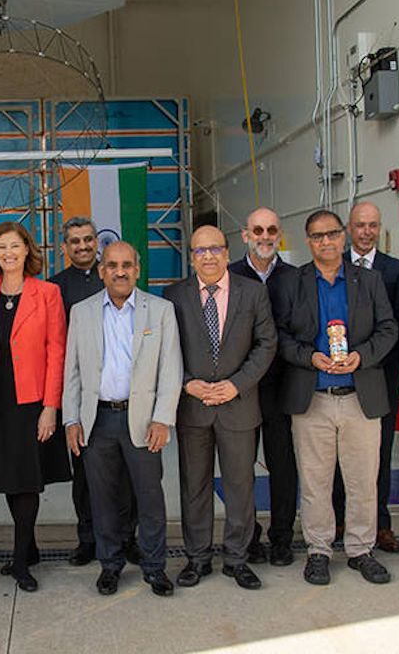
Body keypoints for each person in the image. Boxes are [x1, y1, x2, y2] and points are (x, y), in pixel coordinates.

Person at [275, 210, 397, 587]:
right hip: (313, 399)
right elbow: (280, 336)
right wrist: (309, 357)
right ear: (308, 241)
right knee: (315, 482)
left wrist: (363, 355)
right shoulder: (292, 283)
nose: (325, 242)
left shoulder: (369, 281)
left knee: (363, 481)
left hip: (361, 397)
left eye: (331, 234)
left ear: (343, 237)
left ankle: (361, 549)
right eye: (316, 236)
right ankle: (319, 551)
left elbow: (389, 328)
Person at [63, 241, 182, 597]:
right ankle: (110, 565)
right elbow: (73, 371)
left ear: (137, 269)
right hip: (97, 421)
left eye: (127, 264)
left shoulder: (160, 310)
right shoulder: (81, 312)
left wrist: (163, 419)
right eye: (112, 265)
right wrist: (72, 419)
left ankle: (154, 567)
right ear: (101, 271)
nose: (120, 271)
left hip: (143, 420)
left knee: (150, 499)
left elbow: (171, 368)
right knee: (102, 499)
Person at [163, 226, 277, 590]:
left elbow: (266, 344)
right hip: (193, 407)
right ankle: (197, 558)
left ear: (228, 253)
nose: (208, 256)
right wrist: (185, 383)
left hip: (238, 404)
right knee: (193, 486)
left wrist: (236, 384)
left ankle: (237, 558)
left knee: (240, 486)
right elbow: (165, 349)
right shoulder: (174, 295)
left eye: (215, 249)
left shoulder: (253, 292)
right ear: (191, 256)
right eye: (200, 250)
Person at [0, 223, 70, 592]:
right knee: (8, 476)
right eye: (1, 247)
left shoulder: (48, 293)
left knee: (27, 479)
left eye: (15, 246)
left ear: (28, 250)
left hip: (31, 402)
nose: (8, 253)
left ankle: (21, 561)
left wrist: (50, 406)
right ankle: (32, 547)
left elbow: (56, 351)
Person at [48, 217, 140, 568]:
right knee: (85, 475)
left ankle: (127, 537)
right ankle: (88, 538)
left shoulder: (116, 280)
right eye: (75, 241)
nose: (83, 246)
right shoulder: (55, 288)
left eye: (88, 240)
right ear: (65, 247)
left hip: (122, 394)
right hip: (84, 397)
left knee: (127, 476)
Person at [331, 202, 399, 553]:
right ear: (349, 229)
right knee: (336, 456)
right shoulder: (334, 266)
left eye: (373, 225)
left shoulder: (396, 271)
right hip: (336, 377)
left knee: (378, 456)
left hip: (379, 377)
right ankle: (338, 520)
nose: (366, 231)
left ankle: (380, 525)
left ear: (379, 228)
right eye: (360, 225)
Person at [228, 207, 297, 566]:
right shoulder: (229, 276)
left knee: (283, 467)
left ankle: (282, 538)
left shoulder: (294, 278)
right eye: (258, 230)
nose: (265, 236)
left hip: (282, 388)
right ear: (245, 235)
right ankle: (247, 536)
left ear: (279, 234)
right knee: (240, 469)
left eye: (271, 229)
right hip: (241, 389)